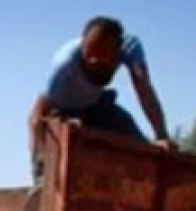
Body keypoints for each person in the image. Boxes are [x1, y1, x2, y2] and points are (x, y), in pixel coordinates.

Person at [28, 16, 173, 175]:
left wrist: (161, 135)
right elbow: (37, 115)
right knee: (70, 138)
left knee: (143, 152)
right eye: (89, 54)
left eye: (103, 56)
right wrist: (40, 164)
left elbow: (144, 90)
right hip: (64, 112)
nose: (93, 60)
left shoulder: (130, 47)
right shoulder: (65, 64)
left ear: (118, 53)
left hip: (97, 106)